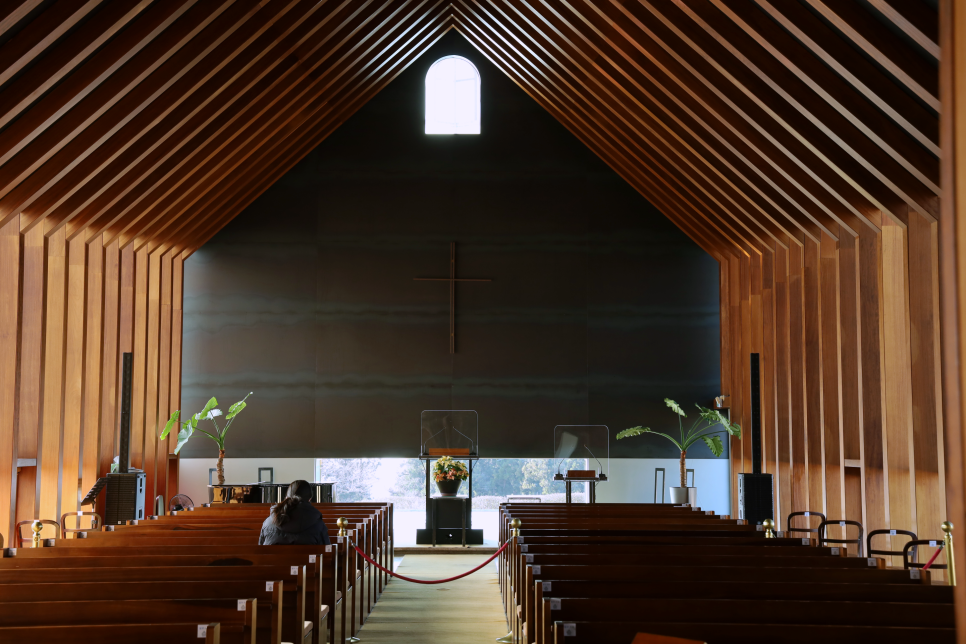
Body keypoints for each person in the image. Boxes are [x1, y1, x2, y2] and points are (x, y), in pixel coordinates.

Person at [259, 480, 331, 545]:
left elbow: (261, 549)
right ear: (309, 499)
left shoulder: (268, 522)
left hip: (273, 560)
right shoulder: (318, 525)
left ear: (286, 497)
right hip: (306, 560)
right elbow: (326, 551)